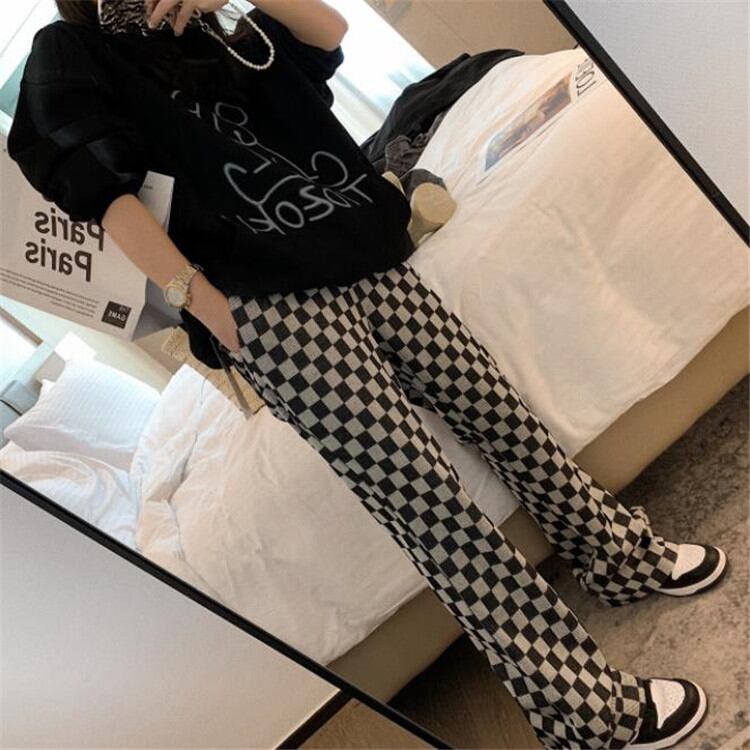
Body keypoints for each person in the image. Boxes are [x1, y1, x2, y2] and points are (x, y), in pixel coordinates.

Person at [6, 2, 728, 747]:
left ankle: (618, 556)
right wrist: (207, 306)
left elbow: (327, 32)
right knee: (430, 506)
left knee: (498, 415)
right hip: (268, 308)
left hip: (362, 250)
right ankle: (588, 716)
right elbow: (98, 189)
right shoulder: (72, 49)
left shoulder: (213, 35)